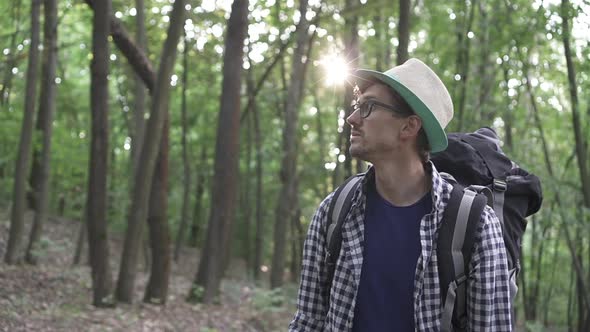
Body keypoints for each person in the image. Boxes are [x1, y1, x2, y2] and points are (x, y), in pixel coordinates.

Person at [289, 58, 512, 331]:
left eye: (368, 107)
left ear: (409, 126)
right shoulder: (334, 211)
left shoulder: (475, 225)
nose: (352, 118)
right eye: (357, 107)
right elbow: (308, 322)